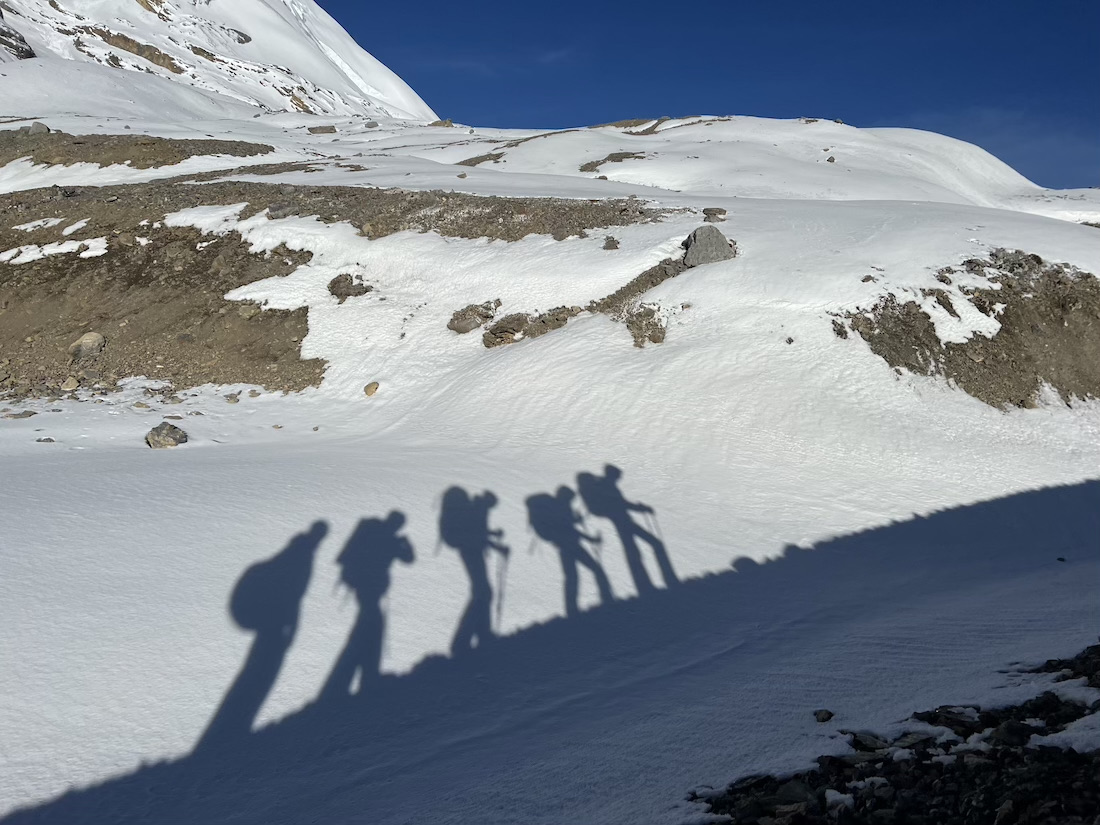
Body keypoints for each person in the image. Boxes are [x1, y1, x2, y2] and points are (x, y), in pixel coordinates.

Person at [196, 521, 327, 750]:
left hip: (269, 623)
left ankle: (229, 729)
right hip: (275, 625)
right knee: (260, 675)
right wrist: (292, 630)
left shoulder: (294, 552)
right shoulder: (302, 556)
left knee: (254, 672)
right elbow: (294, 596)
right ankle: (230, 731)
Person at [320, 512, 414, 701]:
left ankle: (355, 680)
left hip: (362, 588)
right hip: (370, 590)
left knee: (367, 629)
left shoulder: (373, 531)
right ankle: (365, 680)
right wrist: (407, 543)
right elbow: (409, 559)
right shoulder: (390, 539)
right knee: (370, 629)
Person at [576, 465, 677, 594]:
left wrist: (640, 508)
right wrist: (642, 508)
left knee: (634, 552)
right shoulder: (607, 487)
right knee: (651, 546)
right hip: (623, 522)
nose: (618, 479)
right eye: (617, 477)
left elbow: (621, 503)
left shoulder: (604, 486)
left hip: (622, 521)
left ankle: (645, 587)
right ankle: (666, 580)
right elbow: (622, 504)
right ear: (613, 475)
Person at [439, 487, 509, 655]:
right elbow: (478, 534)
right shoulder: (480, 508)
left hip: (468, 549)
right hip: (471, 550)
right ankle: (463, 642)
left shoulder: (473, 507)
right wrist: (498, 547)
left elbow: (477, 531)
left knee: (482, 591)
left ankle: (481, 635)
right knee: (483, 592)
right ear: (489, 502)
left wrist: (492, 535)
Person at [526, 486, 614, 616]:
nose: (571, 501)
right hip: (572, 545)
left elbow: (566, 525)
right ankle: (608, 600)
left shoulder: (555, 507)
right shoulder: (561, 508)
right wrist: (590, 538)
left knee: (571, 577)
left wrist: (577, 521)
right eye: (571, 499)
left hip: (563, 547)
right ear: (566, 496)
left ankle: (571, 610)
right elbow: (569, 528)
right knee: (596, 570)